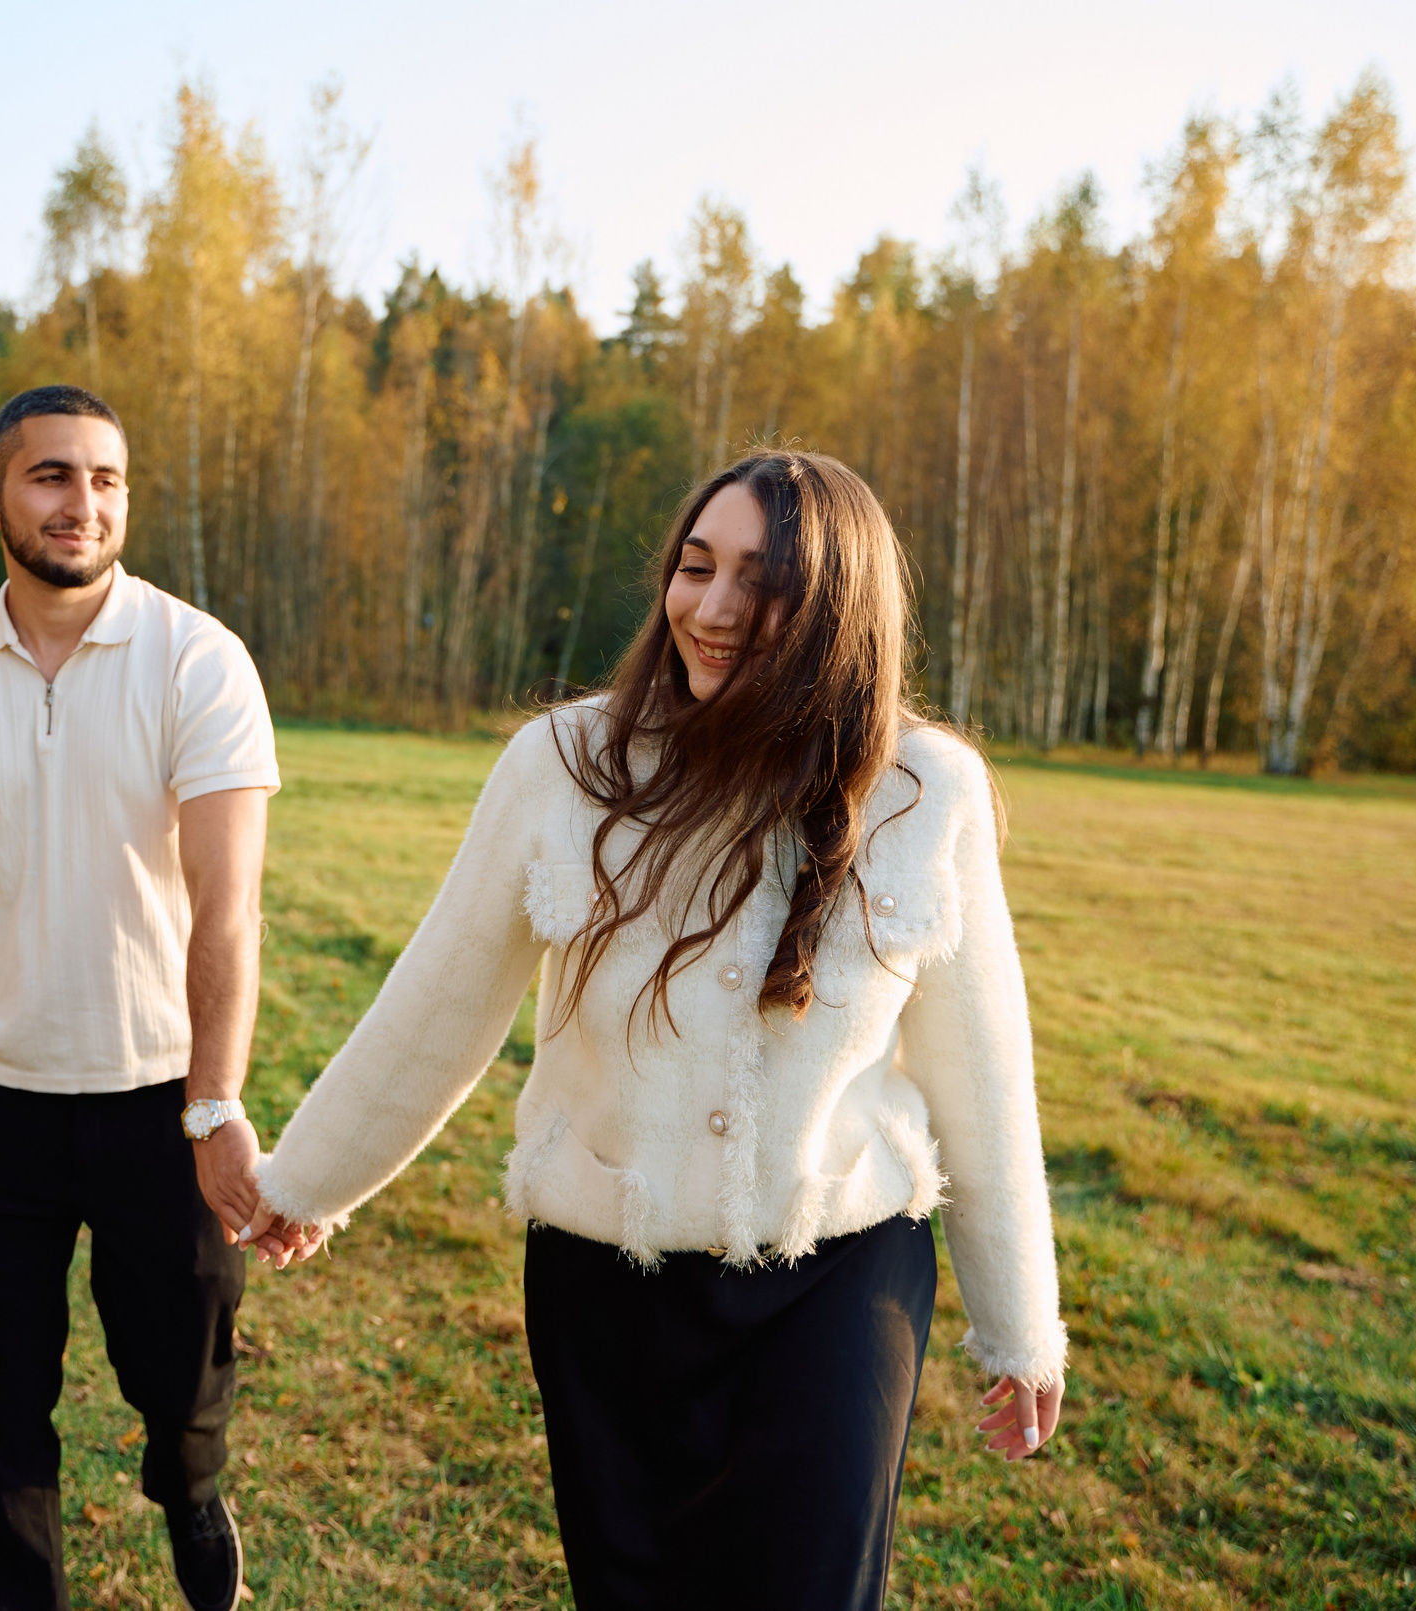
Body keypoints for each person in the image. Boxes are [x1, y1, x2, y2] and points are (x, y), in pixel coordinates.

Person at [246, 451, 1068, 1610]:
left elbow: (981, 1071)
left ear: (841, 606)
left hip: (834, 1286)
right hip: (605, 1291)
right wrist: (309, 1177)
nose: (715, 609)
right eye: (696, 568)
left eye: (762, 581)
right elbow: (440, 1000)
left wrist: (1021, 1324)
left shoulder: (927, 791)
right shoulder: (563, 765)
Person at [0, 384, 292, 1611]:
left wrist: (213, 1104)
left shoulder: (198, 659)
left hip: (159, 1109)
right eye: (52, 477)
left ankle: (189, 1485)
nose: (84, 504)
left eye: (106, 479)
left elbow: (225, 903)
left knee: (181, 1385)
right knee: (0, 1423)